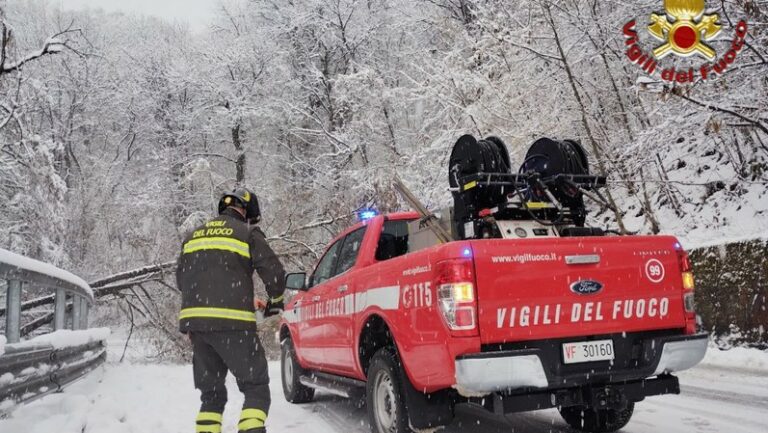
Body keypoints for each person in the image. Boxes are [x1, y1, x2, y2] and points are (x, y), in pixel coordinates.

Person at [177, 188, 285, 433]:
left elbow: (181, 281)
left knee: (211, 395)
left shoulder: (193, 236)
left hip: (198, 327)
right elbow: (274, 272)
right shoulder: (247, 232)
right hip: (234, 325)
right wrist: (276, 299)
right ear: (246, 211)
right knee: (255, 387)